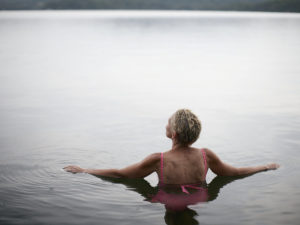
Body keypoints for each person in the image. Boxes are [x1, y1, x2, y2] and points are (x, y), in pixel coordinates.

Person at [64, 108, 279, 185]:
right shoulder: (207, 155)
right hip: (201, 197)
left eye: (168, 122)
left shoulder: (158, 159)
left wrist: (85, 170)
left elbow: (121, 174)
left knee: (148, 198)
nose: (165, 124)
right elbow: (235, 172)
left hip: (168, 198)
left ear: (173, 134)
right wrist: (264, 167)